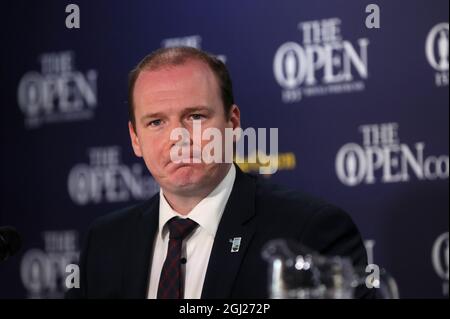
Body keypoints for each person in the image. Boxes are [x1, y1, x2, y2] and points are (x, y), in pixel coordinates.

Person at [66, 47, 372, 299]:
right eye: (156, 122)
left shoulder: (309, 231)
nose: (178, 137)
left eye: (196, 116)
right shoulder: (105, 242)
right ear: (135, 138)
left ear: (232, 124)